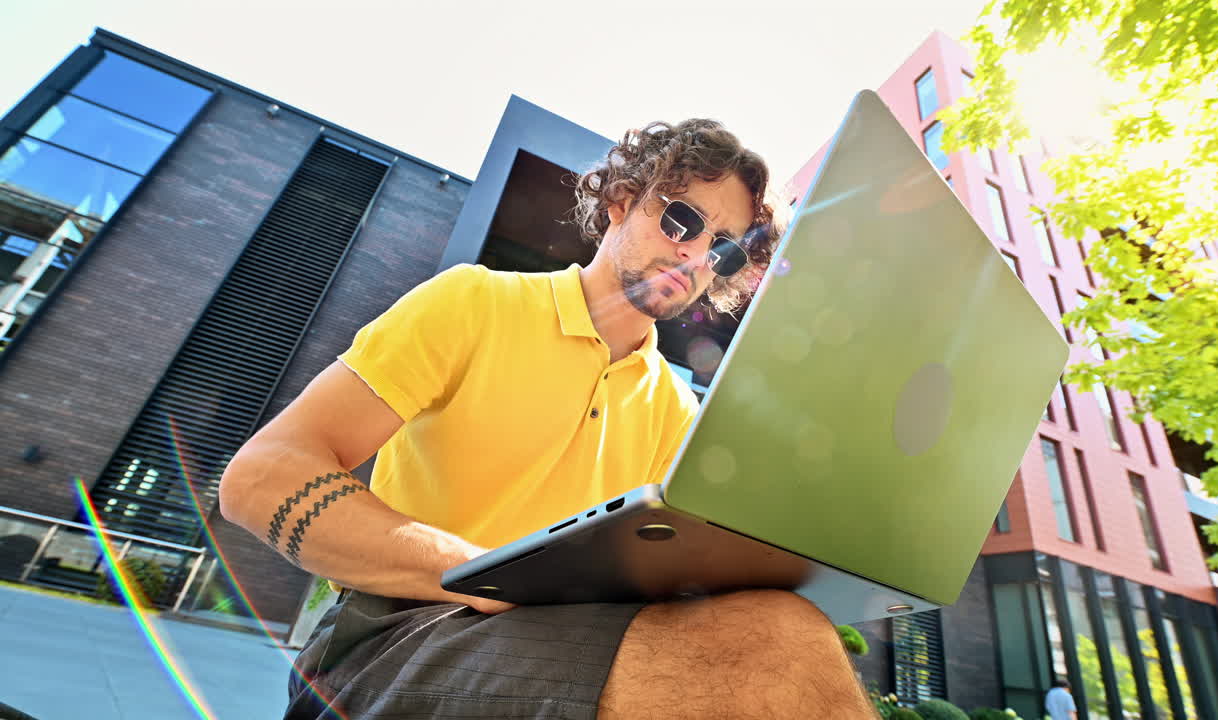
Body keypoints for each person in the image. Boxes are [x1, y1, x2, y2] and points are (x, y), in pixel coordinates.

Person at [220, 119, 876, 719]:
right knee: (785, 649)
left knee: (781, 627)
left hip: (558, 642)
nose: (697, 254)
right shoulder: (473, 303)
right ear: (621, 199)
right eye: (681, 220)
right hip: (390, 633)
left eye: (726, 249)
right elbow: (260, 478)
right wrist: (476, 570)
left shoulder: (678, 414)